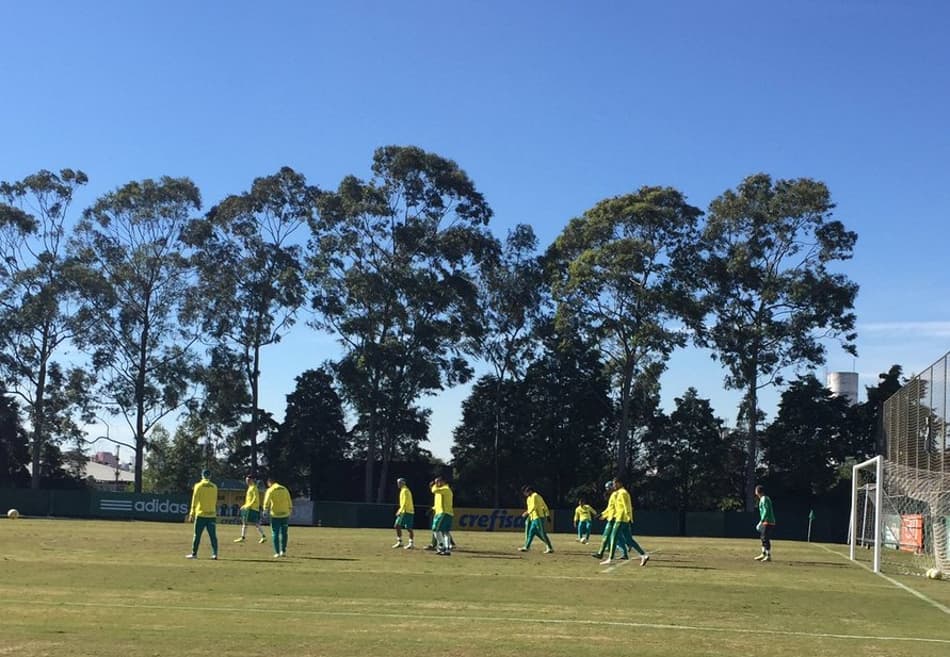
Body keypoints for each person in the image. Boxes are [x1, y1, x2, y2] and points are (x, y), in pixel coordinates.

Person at [603, 478, 649, 566]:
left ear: (619, 483)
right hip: (623, 519)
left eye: (615, 484)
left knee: (613, 537)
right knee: (629, 540)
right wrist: (604, 515)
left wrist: (628, 516)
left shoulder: (622, 493)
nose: (614, 486)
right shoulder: (619, 493)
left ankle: (610, 558)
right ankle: (644, 555)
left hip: (621, 519)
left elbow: (626, 506)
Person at [185, 468, 219, 560]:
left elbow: (194, 500)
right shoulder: (214, 487)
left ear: (202, 475)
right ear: (210, 476)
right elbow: (215, 500)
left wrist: (192, 513)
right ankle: (215, 554)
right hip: (211, 515)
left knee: (197, 535)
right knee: (213, 536)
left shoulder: (198, 486)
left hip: (200, 515)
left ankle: (194, 554)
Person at [518, 485, 554, 554]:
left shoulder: (535, 496)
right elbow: (531, 507)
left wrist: (547, 514)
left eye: (526, 492)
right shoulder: (529, 498)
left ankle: (550, 547)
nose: (525, 494)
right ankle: (527, 547)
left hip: (539, 517)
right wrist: (529, 515)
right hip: (533, 518)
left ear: (530, 491)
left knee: (542, 532)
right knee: (531, 532)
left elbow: (536, 506)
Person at [263, 475, 293, 558]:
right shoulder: (284, 489)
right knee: (284, 533)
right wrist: (290, 509)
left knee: (275, 533)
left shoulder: (270, 490)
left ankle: (277, 552)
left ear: (269, 483)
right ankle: (283, 551)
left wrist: (265, 510)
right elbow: (289, 499)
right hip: (285, 514)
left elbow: (267, 501)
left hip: (275, 515)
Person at [234, 474, 267, 544]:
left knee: (253, 523)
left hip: (252, 508)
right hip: (249, 507)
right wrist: (244, 505)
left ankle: (263, 536)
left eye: (248, 480)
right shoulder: (250, 487)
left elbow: (255, 498)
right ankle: (243, 537)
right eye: (246, 480)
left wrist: (249, 505)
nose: (247, 481)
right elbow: (249, 499)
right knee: (248, 523)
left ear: (252, 480)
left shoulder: (254, 488)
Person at [429, 476, 454, 556]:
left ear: (443, 482)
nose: (437, 484)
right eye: (436, 482)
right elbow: (439, 501)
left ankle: (441, 546)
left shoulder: (445, 489)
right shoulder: (442, 491)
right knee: (445, 532)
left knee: (435, 529)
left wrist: (433, 485)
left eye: (438, 482)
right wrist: (434, 508)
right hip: (445, 512)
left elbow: (434, 490)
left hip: (443, 513)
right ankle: (447, 549)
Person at [754, 484, 776, 562]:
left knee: (765, 538)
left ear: (757, 491)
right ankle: (763, 554)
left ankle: (768, 555)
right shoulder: (763, 499)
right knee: (763, 537)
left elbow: (766, 510)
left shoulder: (764, 499)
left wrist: (762, 520)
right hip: (766, 521)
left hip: (768, 521)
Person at [392, 477, 415, 550]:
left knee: (397, 525)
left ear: (403, 483)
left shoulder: (404, 490)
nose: (398, 484)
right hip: (409, 511)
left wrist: (400, 510)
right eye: (398, 483)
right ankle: (410, 543)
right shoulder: (404, 490)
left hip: (405, 511)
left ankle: (400, 542)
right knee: (408, 528)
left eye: (399, 482)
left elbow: (404, 502)